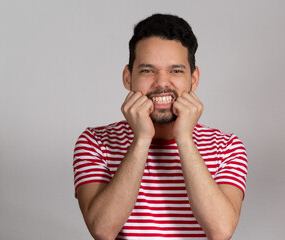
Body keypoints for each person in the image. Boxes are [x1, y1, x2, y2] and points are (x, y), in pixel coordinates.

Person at [73, 13, 248, 240]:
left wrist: (184, 138)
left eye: (176, 71)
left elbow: (221, 231)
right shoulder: (95, 142)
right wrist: (141, 140)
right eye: (148, 70)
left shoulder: (226, 147)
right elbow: (102, 230)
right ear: (128, 77)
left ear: (194, 79)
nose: (162, 82)